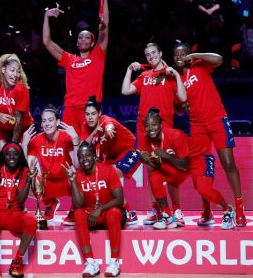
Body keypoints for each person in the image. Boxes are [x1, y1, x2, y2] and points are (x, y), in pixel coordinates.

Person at [173, 43, 245, 228]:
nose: (180, 56)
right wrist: (182, 106)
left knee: (228, 163)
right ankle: (207, 211)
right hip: (197, 127)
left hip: (217, 119)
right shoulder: (177, 79)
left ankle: (239, 208)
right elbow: (179, 110)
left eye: (183, 53)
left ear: (189, 55)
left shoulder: (199, 65)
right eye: (176, 55)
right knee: (200, 169)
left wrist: (196, 54)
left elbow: (219, 59)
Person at [121, 43, 187, 224]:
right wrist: (129, 69)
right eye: (147, 55)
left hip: (165, 128)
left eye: (154, 53)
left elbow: (182, 98)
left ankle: (177, 210)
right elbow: (125, 90)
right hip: (144, 130)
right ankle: (157, 209)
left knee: (169, 169)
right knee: (151, 169)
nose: (151, 57)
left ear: (160, 53)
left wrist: (176, 76)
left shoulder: (170, 74)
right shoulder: (144, 76)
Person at [42, 0, 111, 134]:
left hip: (90, 109)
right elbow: (46, 42)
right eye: (80, 37)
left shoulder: (98, 56)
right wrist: (46, 16)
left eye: (87, 37)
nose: (83, 40)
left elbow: (105, 23)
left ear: (93, 42)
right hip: (70, 109)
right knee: (70, 149)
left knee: (88, 150)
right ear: (77, 43)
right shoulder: (69, 59)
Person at [0, 142, 37, 278]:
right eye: (8, 154)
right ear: (3, 156)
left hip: (12, 213)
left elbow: (21, 200)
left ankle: (17, 262)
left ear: (20, 156)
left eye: (15, 154)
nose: (12, 157)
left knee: (31, 220)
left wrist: (28, 179)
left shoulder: (23, 171)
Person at [63, 142, 124, 277]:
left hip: (107, 212)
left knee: (114, 212)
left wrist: (100, 209)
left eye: (88, 155)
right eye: (81, 157)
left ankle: (114, 262)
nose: (84, 159)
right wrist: (72, 181)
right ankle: (91, 262)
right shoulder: (78, 175)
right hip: (90, 215)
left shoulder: (107, 170)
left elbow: (119, 199)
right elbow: (78, 205)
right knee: (78, 213)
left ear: (95, 156)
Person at [80, 95, 140, 226]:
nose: (90, 117)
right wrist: (94, 132)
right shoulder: (86, 126)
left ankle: (129, 212)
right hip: (111, 156)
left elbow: (110, 126)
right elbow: (83, 146)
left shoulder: (106, 120)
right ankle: (124, 209)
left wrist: (108, 130)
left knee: (106, 177)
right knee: (99, 178)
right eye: (87, 114)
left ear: (99, 114)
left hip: (129, 152)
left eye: (93, 114)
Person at [22, 104, 80, 225]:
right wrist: (24, 144)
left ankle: (74, 210)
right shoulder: (36, 140)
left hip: (67, 181)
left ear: (58, 122)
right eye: (44, 121)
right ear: (41, 124)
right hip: (48, 182)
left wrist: (75, 139)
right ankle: (50, 203)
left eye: (50, 120)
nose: (47, 124)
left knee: (79, 176)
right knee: (25, 181)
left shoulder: (66, 138)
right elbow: (28, 167)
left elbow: (77, 165)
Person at [138, 107, 189, 229]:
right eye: (147, 125)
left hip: (183, 170)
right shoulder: (145, 139)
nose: (150, 128)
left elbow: (186, 165)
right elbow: (154, 166)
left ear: (161, 124)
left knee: (166, 170)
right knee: (153, 176)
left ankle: (177, 211)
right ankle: (167, 215)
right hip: (166, 169)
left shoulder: (175, 135)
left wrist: (167, 157)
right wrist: (145, 160)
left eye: (154, 124)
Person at [0, 53, 34, 153]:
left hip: (22, 128)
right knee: (2, 160)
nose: (15, 75)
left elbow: (19, 120)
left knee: (19, 159)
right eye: (12, 70)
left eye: (18, 72)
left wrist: (13, 145)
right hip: (2, 129)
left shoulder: (21, 89)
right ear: (3, 70)